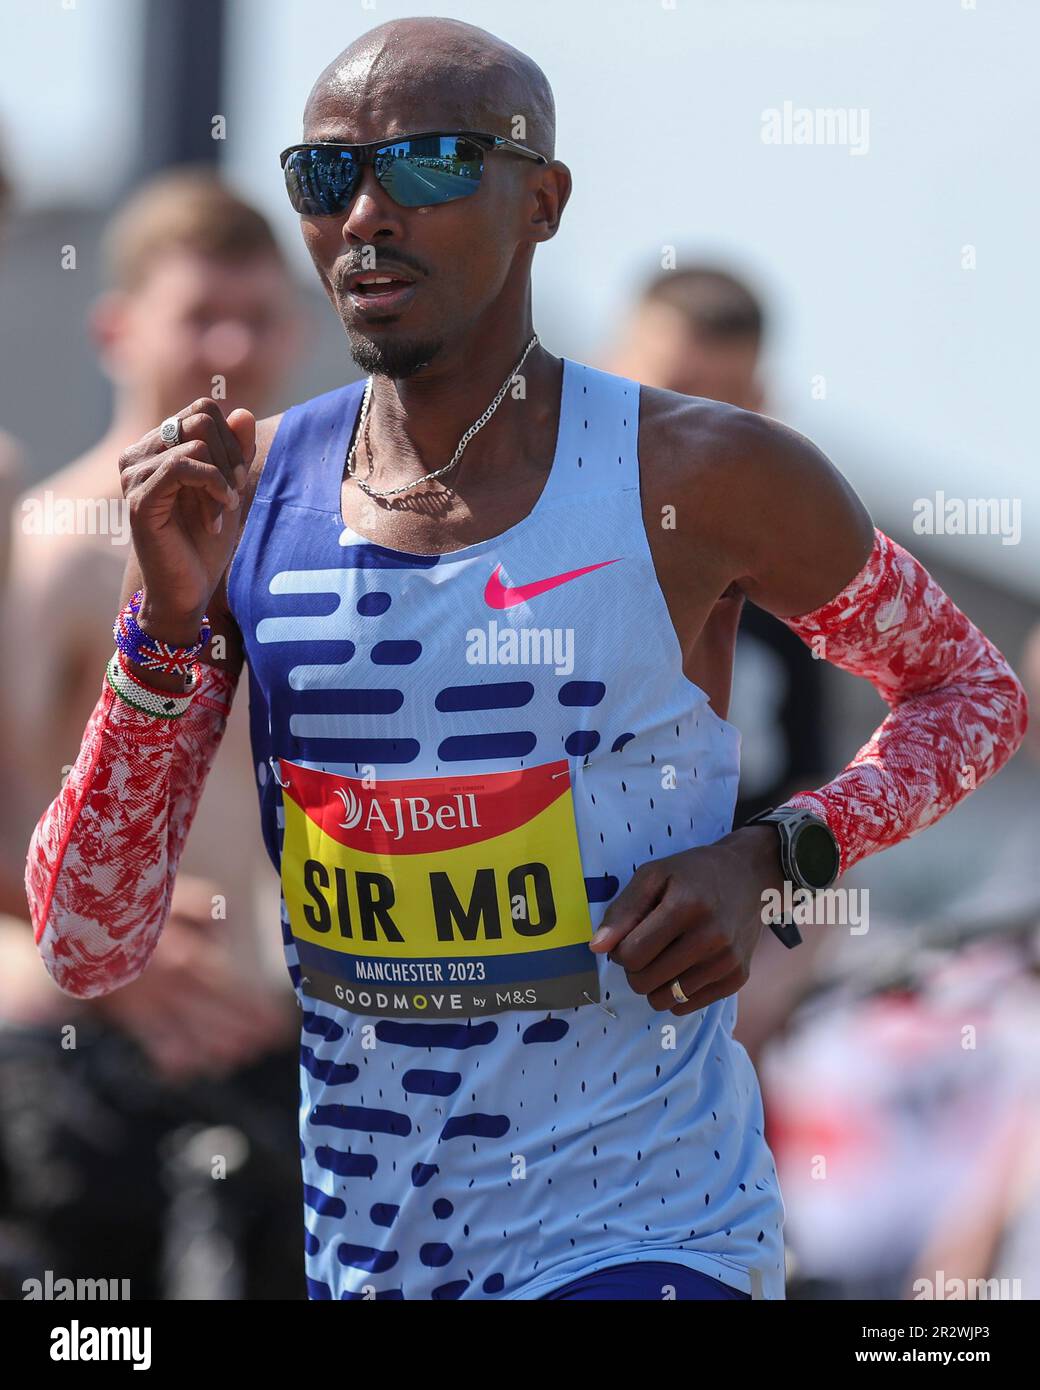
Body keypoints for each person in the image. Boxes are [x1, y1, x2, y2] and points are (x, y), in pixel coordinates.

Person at [25, 17, 1028, 1301]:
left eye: (431, 164)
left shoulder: (700, 473)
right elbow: (90, 944)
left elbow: (966, 697)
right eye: (327, 176)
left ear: (542, 199)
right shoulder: (249, 494)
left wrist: (773, 855)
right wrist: (159, 633)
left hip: (643, 1233)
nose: (370, 212)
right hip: (368, 1250)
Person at [5, 170, 307, 1298]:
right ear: (115, 327)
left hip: (264, 1045)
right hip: (78, 1052)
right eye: (199, 315)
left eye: (260, 316)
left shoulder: (316, 559)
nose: (230, 344)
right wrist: (107, 965)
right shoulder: (53, 548)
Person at [604, 266, 830, 1064]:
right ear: (604, 375)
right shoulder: (529, 564)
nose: (702, 429)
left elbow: (820, 811)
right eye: (675, 391)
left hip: (717, 1004)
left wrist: (774, 981)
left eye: (730, 402)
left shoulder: (792, 600)